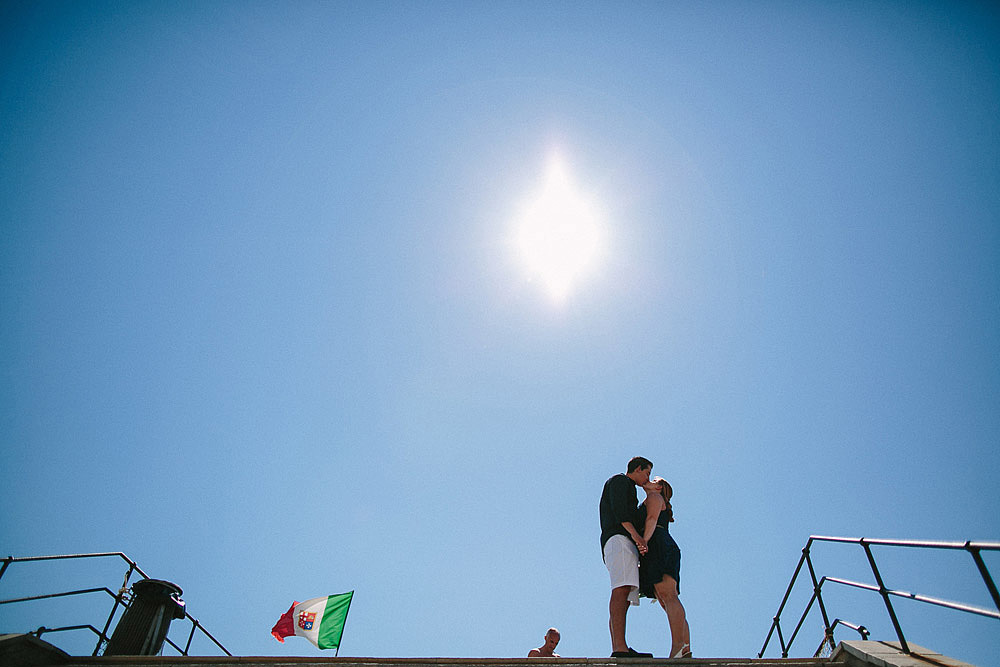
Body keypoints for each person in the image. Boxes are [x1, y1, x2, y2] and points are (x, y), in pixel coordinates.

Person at [599, 456, 654, 658]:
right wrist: (638, 537)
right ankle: (619, 648)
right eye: (646, 473)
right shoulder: (620, 481)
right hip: (618, 539)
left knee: (625, 596)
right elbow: (621, 512)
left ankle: (620, 646)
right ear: (637, 469)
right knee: (621, 590)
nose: (647, 478)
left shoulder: (630, 489)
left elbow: (631, 515)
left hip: (623, 541)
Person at [639, 476, 691, 658]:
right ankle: (684, 648)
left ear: (659, 487)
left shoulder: (654, 497)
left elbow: (652, 518)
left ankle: (678, 646)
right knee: (665, 598)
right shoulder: (653, 498)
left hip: (659, 545)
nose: (648, 480)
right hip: (659, 546)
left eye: (653, 480)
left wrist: (643, 541)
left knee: (668, 595)